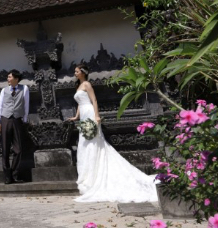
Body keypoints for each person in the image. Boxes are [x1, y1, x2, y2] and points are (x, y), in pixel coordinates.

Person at [67, 62, 158, 203]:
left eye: (77, 71)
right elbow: (79, 102)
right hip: (84, 114)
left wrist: (96, 116)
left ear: (83, 72)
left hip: (90, 112)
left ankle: (94, 175)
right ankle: (88, 177)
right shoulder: (78, 86)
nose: (75, 73)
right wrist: (76, 116)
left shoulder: (87, 85)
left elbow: (94, 100)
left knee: (93, 141)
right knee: (85, 142)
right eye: (75, 71)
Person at [0, 69, 30, 184]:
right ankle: (7, 176)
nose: (8, 79)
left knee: (18, 149)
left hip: (17, 120)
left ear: (16, 79)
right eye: (8, 77)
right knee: (5, 148)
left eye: (10, 77)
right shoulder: (4, 90)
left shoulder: (24, 89)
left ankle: (14, 173)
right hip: (5, 119)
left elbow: (26, 105)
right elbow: (0, 105)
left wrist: (24, 119)